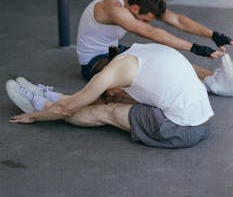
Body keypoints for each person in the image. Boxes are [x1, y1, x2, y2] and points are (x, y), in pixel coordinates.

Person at [7, 43, 233, 149]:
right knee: (112, 98)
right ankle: (51, 95)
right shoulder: (136, 51)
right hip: (203, 120)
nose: (109, 94)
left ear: (106, 82)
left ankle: (38, 104)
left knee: (105, 110)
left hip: (182, 129)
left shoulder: (108, 77)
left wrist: (35, 117)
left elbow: (69, 109)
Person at [76, 0, 233, 81]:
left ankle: (214, 79)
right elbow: (151, 32)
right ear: (135, 9)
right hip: (94, 63)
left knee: (167, 57)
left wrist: (213, 35)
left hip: (114, 51)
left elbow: (178, 20)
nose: (147, 22)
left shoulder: (135, 1)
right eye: (145, 19)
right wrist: (196, 48)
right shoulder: (113, 8)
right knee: (149, 78)